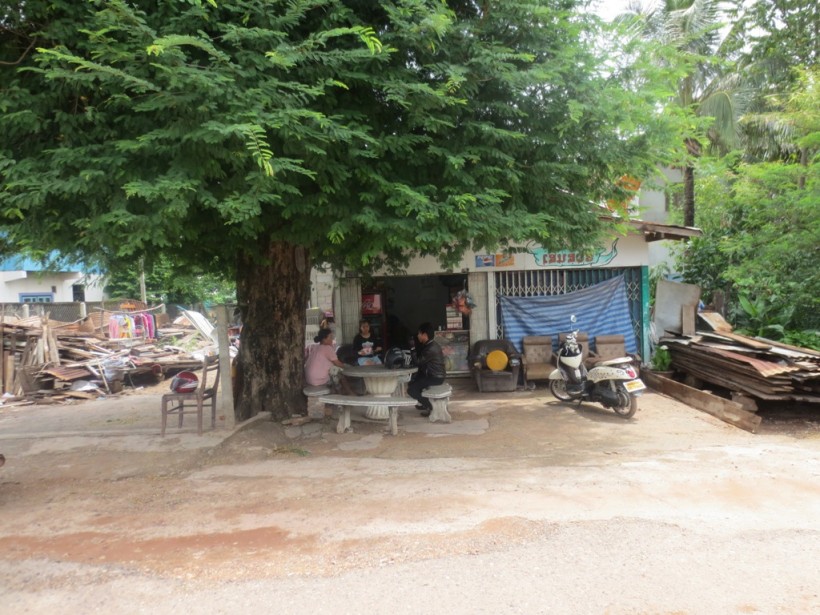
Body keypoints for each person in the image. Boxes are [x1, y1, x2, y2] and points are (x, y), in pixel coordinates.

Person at [408, 322, 446, 417]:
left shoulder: (431, 348)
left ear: (424, 335)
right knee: (413, 383)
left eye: (419, 333)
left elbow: (418, 362)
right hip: (433, 375)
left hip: (435, 377)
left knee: (411, 390)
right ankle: (425, 404)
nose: (418, 336)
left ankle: (431, 406)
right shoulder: (429, 345)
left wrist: (412, 348)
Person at [305, 328, 353, 394]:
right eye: (330, 337)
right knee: (340, 373)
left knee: (334, 371)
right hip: (318, 380)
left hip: (309, 378)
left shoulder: (315, 347)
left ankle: (342, 392)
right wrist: (349, 368)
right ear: (324, 339)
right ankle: (349, 393)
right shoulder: (327, 348)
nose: (332, 339)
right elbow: (338, 364)